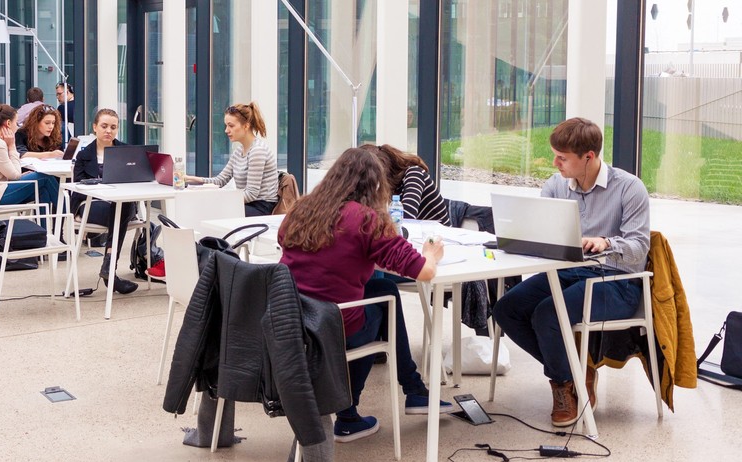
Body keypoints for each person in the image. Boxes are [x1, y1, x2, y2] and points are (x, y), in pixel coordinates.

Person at [278, 147, 453, 445]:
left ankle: (413, 390)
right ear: (376, 184)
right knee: (380, 303)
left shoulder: (300, 209)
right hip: (334, 324)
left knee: (383, 291)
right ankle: (351, 414)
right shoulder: (367, 220)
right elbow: (423, 272)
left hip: (292, 319)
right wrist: (431, 254)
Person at [492, 117, 650, 427]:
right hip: (565, 273)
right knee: (506, 309)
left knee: (548, 313)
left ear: (588, 157)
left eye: (562, 157)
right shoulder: (555, 186)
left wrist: (606, 241)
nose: (555, 163)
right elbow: (544, 237)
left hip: (617, 281)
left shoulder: (629, 188)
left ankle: (562, 386)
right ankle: (575, 372)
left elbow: (639, 247)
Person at [71, 108, 139, 295]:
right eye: (104, 126)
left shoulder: (126, 151)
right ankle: (110, 269)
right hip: (93, 205)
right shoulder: (84, 156)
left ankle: (109, 264)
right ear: (95, 127)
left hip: (120, 204)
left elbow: (135, 181)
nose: (109, 131)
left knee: (122, 204)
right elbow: (77, 188)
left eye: (113, 127)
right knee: (120, 210)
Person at [184, 102, 279, 216]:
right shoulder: (239, 151)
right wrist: (190, 179)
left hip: (261, 207)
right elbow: (220, 180)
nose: (226, 130)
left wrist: (222, 200)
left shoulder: (257, 151)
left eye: (231, 126)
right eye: (226, 126)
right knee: (205, 209)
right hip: (246, 204)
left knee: (212, 212)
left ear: (246, 126)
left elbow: (252, 194)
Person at [0, 102, 60, 213]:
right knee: (45, 177)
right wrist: (12, 146)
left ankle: (47, 230)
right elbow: (15, 175)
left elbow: (12, 173)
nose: (18, 126)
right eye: (16, 122)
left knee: (43, 189)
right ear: (9, 123)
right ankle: (68, 212)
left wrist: (18, 173)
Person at [362, 143, 450, 225]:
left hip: (439, 238)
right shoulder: (392, 188)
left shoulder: (414, 174)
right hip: (417, 236)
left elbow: (406, 219)